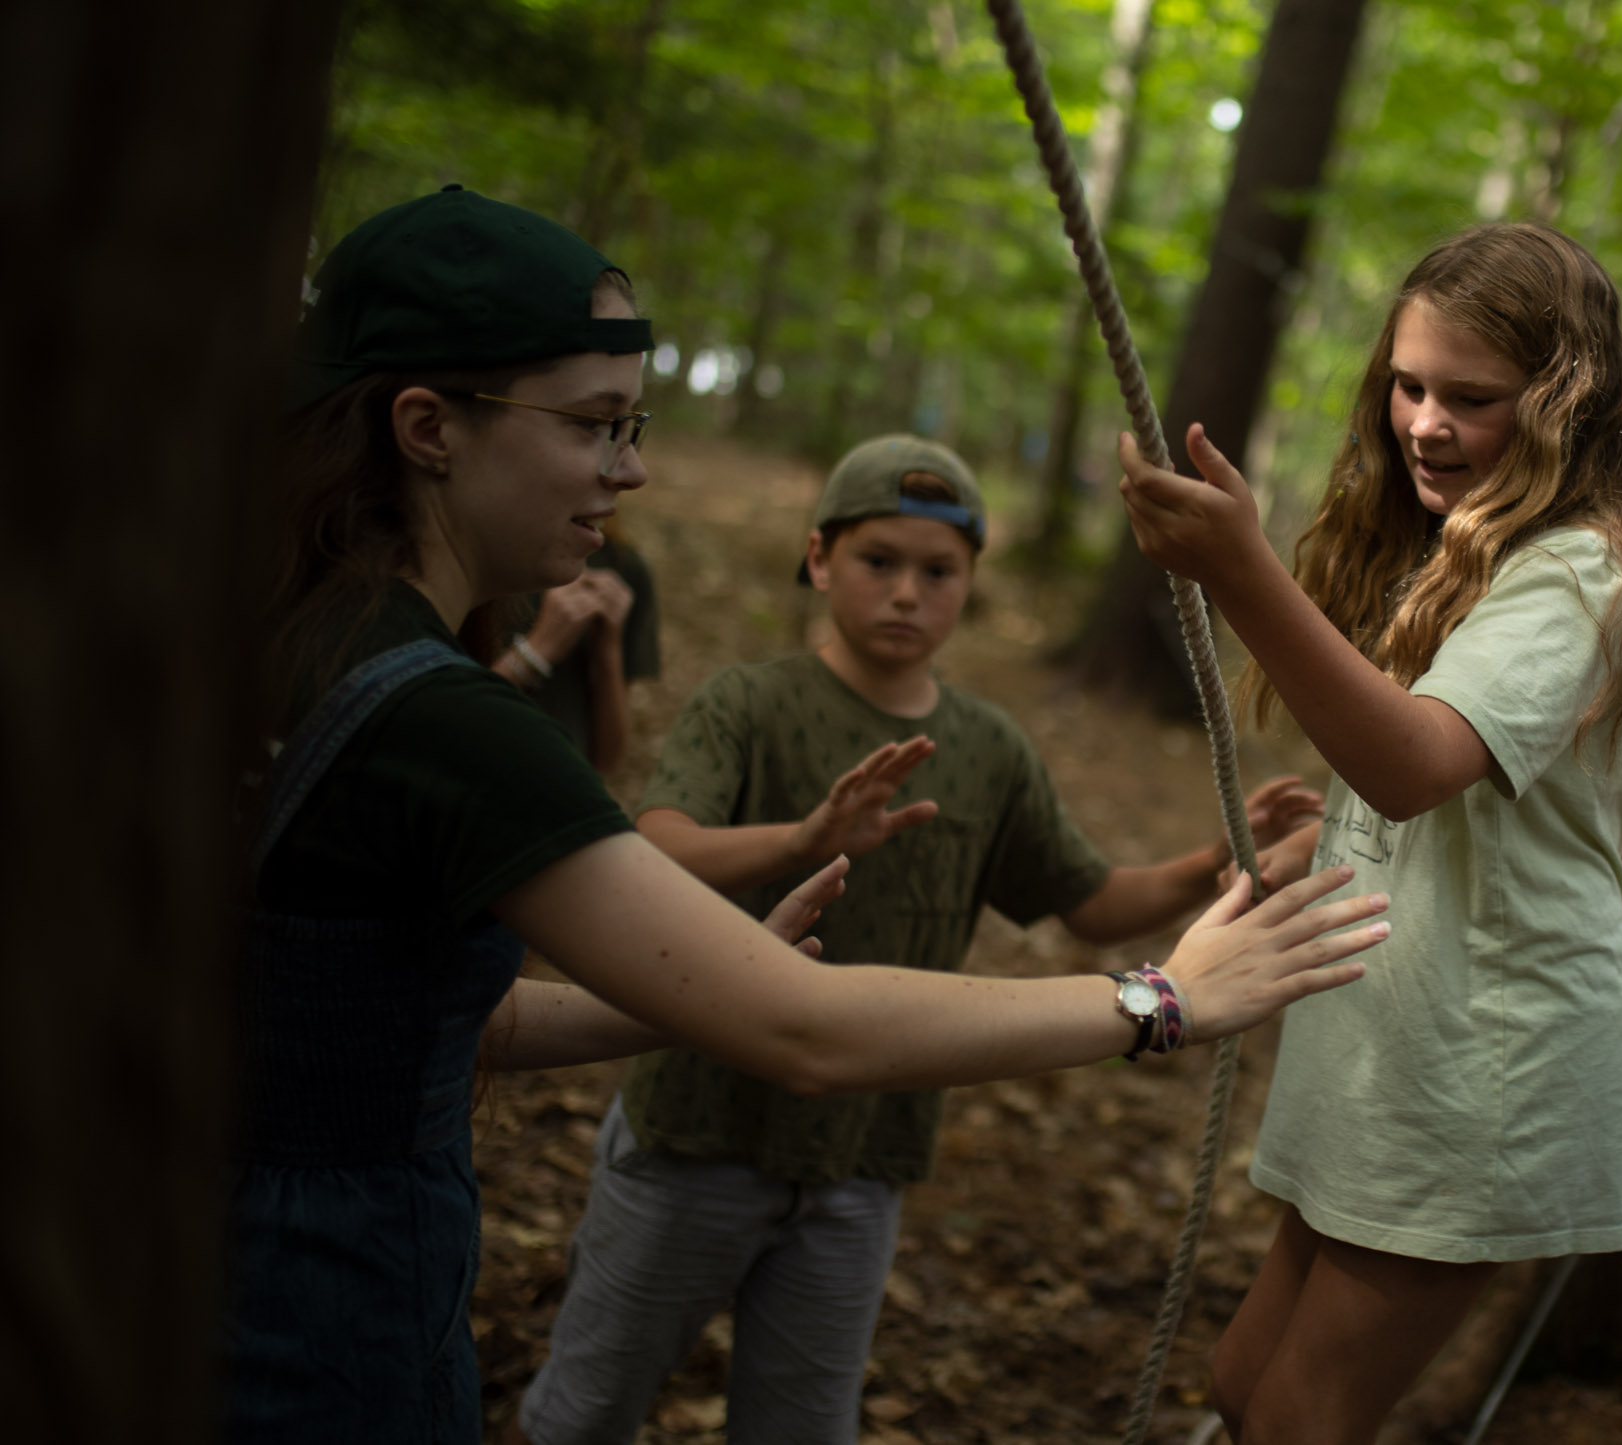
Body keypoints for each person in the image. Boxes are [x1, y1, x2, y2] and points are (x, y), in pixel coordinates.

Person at [232, 185, 1390, 1445]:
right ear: (426, 426)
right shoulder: (439, 718)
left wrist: (690, 984)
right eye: (594, 424)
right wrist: (1161, 1001)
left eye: (637, 423)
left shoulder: (298, 633)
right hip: (312, 1304)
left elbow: (414, 1005)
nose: (633, 467)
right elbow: (806, 1031)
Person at [508, 434, 1324, 1444]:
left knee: (804, 1424)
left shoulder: (986, 748)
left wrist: (1214, 858)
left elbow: (1089, 901)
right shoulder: (749, 703)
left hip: (862, 1161)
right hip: (695, 1135)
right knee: (586, 1407)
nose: (906, 593)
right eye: (876, 561)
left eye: (938, 571)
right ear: (817, 560)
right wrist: (805, 837)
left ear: (971, 583)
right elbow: (660, 847)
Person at [1113, 222, 1622, 1444]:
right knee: (1242, 1381)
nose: (1423, 421)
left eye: (1469, 398)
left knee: (1297, 1417)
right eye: (1408, 384)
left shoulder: (1582, 569)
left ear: (1562, 406)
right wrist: (1311, 857)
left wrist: (1240, 571)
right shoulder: (1455, 548)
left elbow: (1417, 761)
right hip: (1391, 1044)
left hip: (1489, 1064)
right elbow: (1423, 789)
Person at [490, 522, 659, 772]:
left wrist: (607, 654)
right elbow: (439, 731)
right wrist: (534, 652)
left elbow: (605, 760)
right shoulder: (485, 554)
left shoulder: (621, 565)